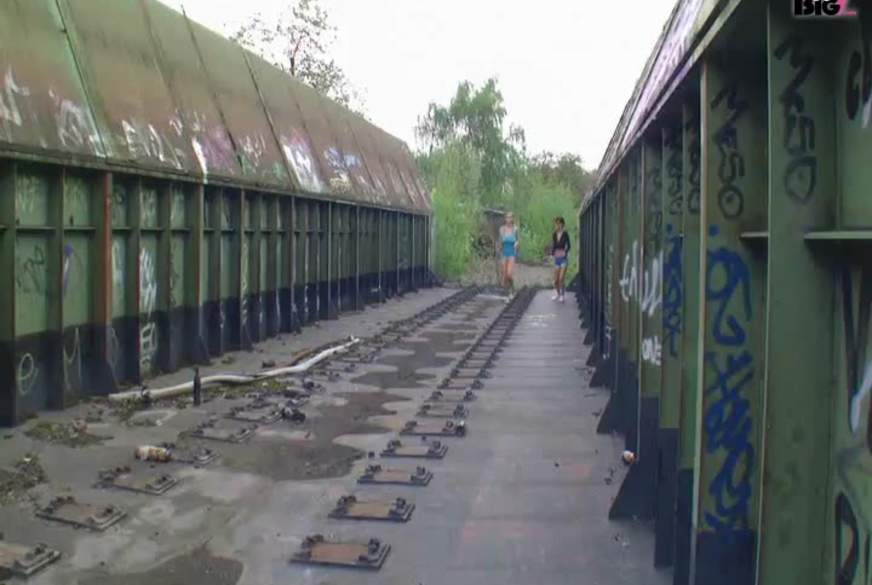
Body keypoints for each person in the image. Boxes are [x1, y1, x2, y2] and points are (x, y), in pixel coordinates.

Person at [551, 216, 571, 302]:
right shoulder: (554, 234)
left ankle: (562, 295)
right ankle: (557, 294)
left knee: (561, 278)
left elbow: (569, 245)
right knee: (556, 280)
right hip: (557, 258)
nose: (557, 225)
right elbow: (554, 246)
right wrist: (552, 254)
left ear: (562, 224)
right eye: (556, 224)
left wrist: (565, 252)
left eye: (559, 223)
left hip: (563, 258)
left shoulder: (565, 233)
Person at [499, 213, 519, 291]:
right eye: (507, 218)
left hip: (511, 253)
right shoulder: (502, 229)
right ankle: (506, 291)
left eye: (510, 218)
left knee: (509, 274)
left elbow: (517, 240)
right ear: (505, 219)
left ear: (512, 219)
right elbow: (500, 242)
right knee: (504, 275)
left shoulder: (515, 229)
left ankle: (512, 286)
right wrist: (499, 251)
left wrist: (516, 244)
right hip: (504, 253)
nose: (508, 219)